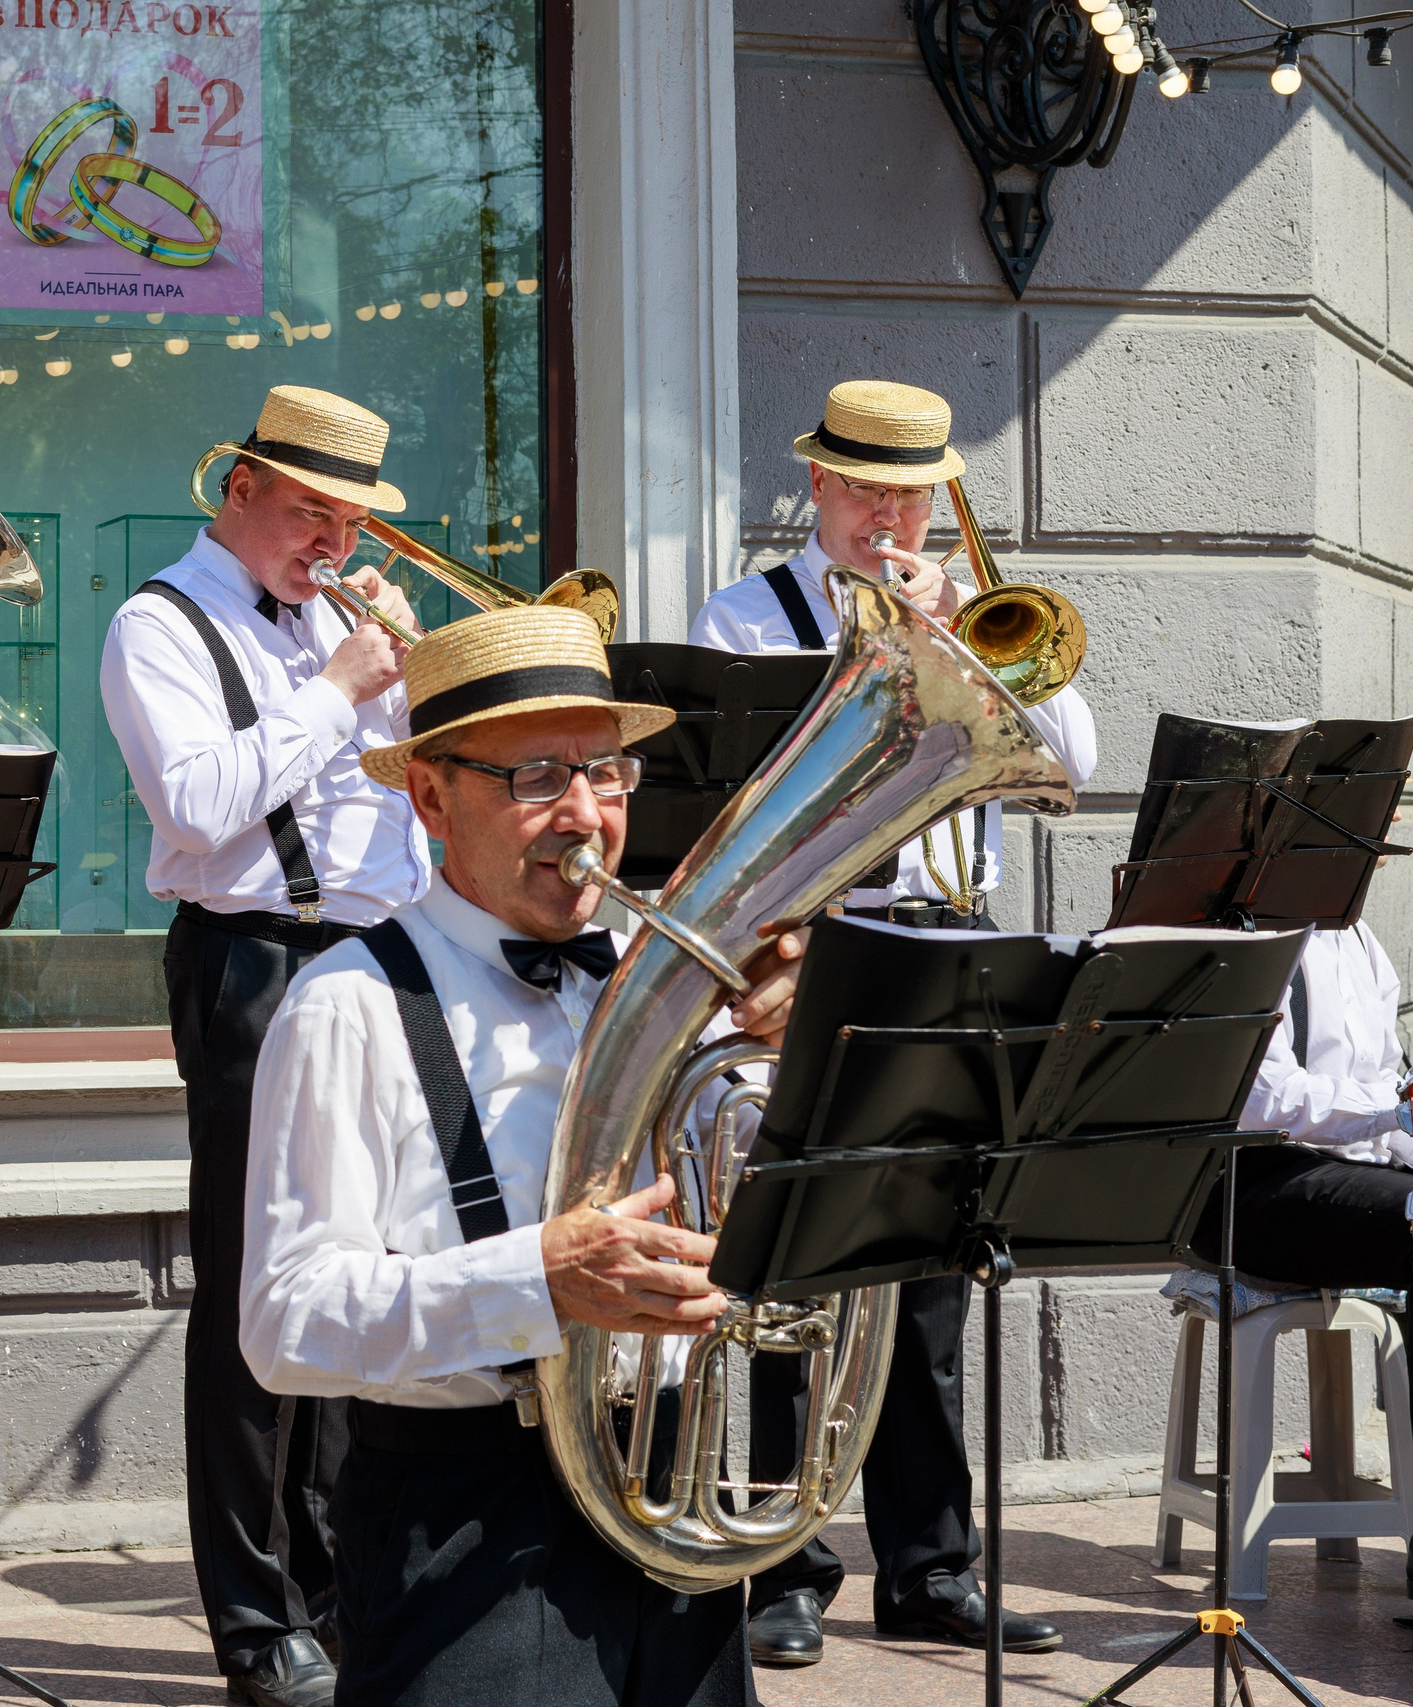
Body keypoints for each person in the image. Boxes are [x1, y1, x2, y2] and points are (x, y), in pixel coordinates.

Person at [241, 603, 808, 1707]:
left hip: (672, 1488)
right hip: (465, 1514)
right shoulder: (345, 1006)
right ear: (429, 797)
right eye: (537, 777)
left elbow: (782, 1214)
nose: (586, 816)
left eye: (606, 773)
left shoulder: (669, 985)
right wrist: (536, 1283)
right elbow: (283, 1325)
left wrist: (799, 1055)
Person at [689, 378, 1093, 1666]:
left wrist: (959, 644)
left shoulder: (973, 603)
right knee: (791, 1258)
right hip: (815, 946)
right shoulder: (748, 615)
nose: (888, 513)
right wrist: (886, 654)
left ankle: (929, 1566)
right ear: (817, 484)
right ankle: (783, 1566)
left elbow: (1070, 755)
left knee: (931, 1269)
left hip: (947, 942)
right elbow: (749, 786)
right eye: (865, 488)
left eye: (910, 490)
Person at [98, 385, 425, 1707]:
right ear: (237, 488)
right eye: (311, 514)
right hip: (254, 958)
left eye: (350, 520)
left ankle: (338, 1580)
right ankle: (250, 1609)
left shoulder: (343, 620)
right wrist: (342, 691)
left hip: (373, 961)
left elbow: (405, 806)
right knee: (253, 1286)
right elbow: (201, 802)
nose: (334, 544)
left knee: (356, 1275)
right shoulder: (156, 623)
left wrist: (411, 695)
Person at [1197, 915, 1413, 1302]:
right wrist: (1400, 1106)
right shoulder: (1249, 929)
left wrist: (1400, 1112)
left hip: (1358, 1171)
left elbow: (1383, 1077)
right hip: (1248, 1187)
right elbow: (1267, 1103)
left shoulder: (1360, 935)